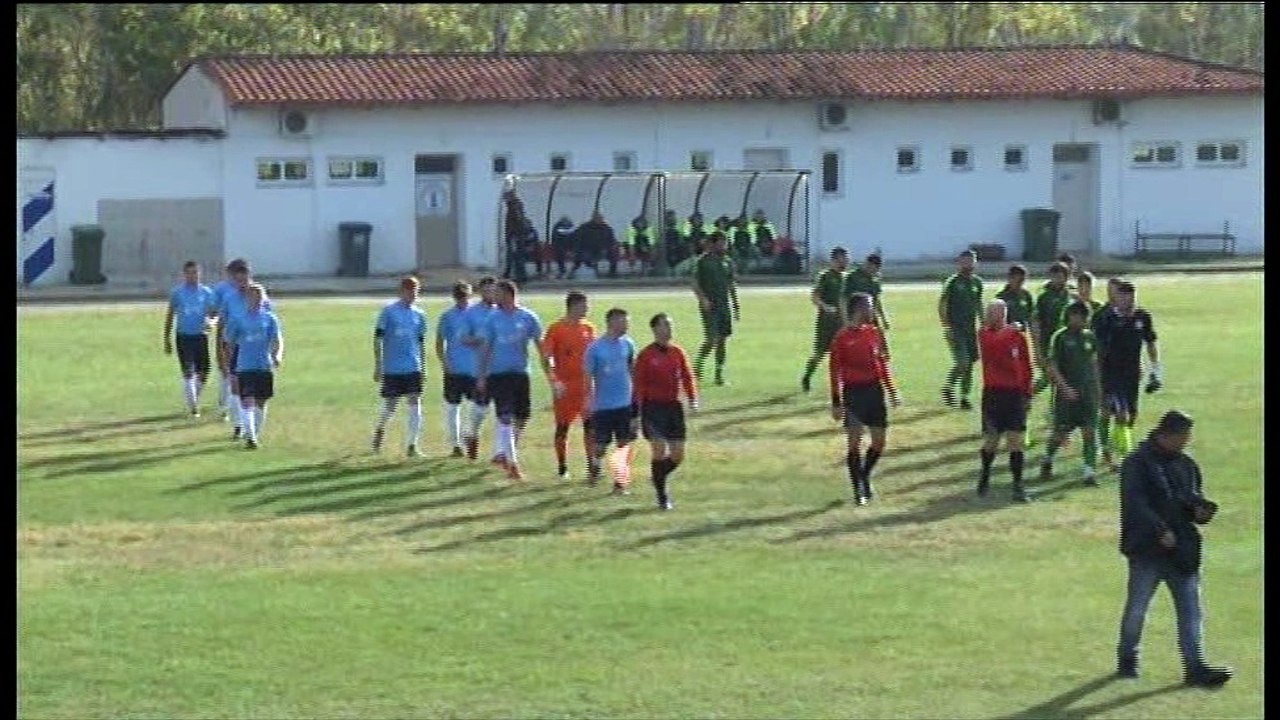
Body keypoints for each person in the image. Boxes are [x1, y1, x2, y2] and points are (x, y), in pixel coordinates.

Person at [1116, 410, 1232, 687]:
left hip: (1182, 550)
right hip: (1147, 550)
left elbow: (1190, 500)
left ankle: (1195, 666)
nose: (1186, 442)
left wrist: (1202, 511)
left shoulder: (1186, 466)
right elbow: (1136, 504)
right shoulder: (1137, 464)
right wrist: (1160, 530)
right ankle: (1127, 658)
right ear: (1166, 435)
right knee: (1137, 608)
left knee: (1191, 610)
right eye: (1183, 436)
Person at [475, 279, 554, 480]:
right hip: (499, 375)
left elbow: (540, 345)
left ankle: (503, 451)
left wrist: (550, 370)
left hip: (521, 373)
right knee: (505, 417)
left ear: (509, 295)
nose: (494, 297)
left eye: (498, 293)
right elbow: (485, 348)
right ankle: (512, 464)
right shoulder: (492, 319)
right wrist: (482, 376)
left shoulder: (528, 317)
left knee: (522, 416)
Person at [830, 292, 900, 504]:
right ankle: (859, 489)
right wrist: (836, 401)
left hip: (874, 391)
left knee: (879, 443)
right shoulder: (841, 338)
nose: (873, 311)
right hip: (854, 393)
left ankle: (864, 475)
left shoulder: (874, 332)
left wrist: (892, 391)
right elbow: (834, 371)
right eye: (869, 307)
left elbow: (881, 365)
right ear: (858, 309)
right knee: (855, 441)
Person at [1093, 279, 1161, 471]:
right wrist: (1097, 378)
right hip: (1110, 373)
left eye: (1130, 298)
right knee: (1117, 413)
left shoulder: (1142, 317)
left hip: (1132, 374)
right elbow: (1098, 350)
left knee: (1130, 415)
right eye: (1123, 298)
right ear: (1117, 298)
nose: (1127, 302)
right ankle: (1115, 454)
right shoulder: (1106, 319)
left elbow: (1150, 342)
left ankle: (1112, 445)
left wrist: (1155, 370)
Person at [633, 312, 698, 511]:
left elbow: (687, 376)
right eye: (665, 326)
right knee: (659, 448)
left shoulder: (677, 352)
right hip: (653, 408)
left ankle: (657, 476)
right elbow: (638, 385)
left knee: (677, 455)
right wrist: (636, 412)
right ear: (655, 329)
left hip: (673, 408)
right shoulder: (646, 355)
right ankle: (662, 496)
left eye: (670, 325)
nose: (669, 330)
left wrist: (693, 399)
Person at [1039, 301, 1102, 486]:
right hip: (1066, 395)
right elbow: (1052, 366)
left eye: (1082, 316)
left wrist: (1098, 389)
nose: (1078, 320)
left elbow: (1094, 364)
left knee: (1089, 431)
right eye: (1074, 316)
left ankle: (1088, 472)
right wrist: (1064, 388)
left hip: (1087, 393)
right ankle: (1048, 458)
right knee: (1061, 432)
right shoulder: (1060, 337)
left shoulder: (1090, 337)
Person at [976, 300, 1034, 502]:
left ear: (1004, 315)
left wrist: (1027, 392)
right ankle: (985, 474)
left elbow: (1026, 365)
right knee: (992, 440)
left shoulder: (1018, 337)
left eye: (996, 313)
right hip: (994, 394)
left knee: (1015, 441)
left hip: (1015, 395)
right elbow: (995, 345)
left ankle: (1018, 485)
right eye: (989, 313)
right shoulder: (984, 334)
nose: (991, 317)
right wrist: (1012, 330)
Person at [215, 259, 273, 440]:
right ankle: (239, 425)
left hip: (255, 350)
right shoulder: (229, 299)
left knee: (253, 394)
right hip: (235, 346)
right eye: (238, 280)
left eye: (244, 280)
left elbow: (269, 325)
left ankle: (250, 428)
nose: (242, 284)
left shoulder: (260, 297)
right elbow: (222, 326)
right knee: (235, 387)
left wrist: (271, 352)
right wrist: (221, 352)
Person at [542, 291, 598, 480]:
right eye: (584, 305)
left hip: (585, 387)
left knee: (590, 426)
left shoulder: (589, 328)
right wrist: (554, 381)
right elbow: (547, 357)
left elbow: (595, 356)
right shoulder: (556, 329)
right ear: (573, 306)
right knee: (563, 427)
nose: (587, 309)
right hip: (565, 388)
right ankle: (562, 466)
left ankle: (592, 466)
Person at [370, 276, 428, 457]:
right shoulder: (388, 312)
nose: (413, 295)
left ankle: (412, 445)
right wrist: (379, 364)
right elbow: (378, 338)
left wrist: (423, 367)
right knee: (391, 405)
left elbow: (420, 342)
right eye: (410, 291)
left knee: (415, 401)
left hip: (413, 365)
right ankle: (380, 428)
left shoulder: (420, 315)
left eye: (416, 291)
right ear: (402, 291)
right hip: (393, 367)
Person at [584, 307, 639, 494]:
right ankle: (596, 465)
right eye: (623, 321)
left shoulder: (628, 344)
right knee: (600, 445)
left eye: (627, 322)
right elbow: (588, 377)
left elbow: (633, 371)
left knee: (623, 444)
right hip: (603, 406)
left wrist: (636, 399)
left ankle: (619, 483)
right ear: (611, 322)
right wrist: (588, 401)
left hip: (624, 404)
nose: (626, 325)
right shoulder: (595, 348)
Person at [223, 282, 282, 450]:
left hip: (263, 365)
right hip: (244, 366)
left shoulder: (270, 319)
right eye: (252, 296)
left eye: (259, 296)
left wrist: (277, 355)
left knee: (261, 402)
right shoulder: (238, 319)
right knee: (247, 400)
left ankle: (254, 432)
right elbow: (229, 342)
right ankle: (251, 438)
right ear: (247, 299)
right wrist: (230, 362)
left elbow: (277, 340)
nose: (255, 299)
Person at [163, 260, 217, 417]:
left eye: (196, 272)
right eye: (189, 273)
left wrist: (211, 322)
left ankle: (193, 396)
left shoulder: (206, 293)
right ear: (184, 274)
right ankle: (194, 407)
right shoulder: (178, 293)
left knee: (204, 371)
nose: (193, 276)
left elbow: (214, 313)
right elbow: (170, 315)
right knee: (188, 371)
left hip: (201, 336)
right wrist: (166, 338)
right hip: (184, 337)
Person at [459, 276, 500, 460]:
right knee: (481, 409)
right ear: (480, 292)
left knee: (503, 412)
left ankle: (499, 453)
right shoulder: (471, 313)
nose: (490, 293)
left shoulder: (504, 311)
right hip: (481, 369)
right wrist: (481, 340)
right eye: (486, 290)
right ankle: (471, 435)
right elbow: (463, 338)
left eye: (493, 290)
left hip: (503, 368)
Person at [691, 231, 740, 386]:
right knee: (711, 339)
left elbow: (731, 284)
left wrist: (736, 304)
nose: (723, 245)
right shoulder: (703, 261)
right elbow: (695, 283)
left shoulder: (728, 261)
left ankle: (719, 375)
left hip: (723, 305)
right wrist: (703, 299)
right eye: (720, 242)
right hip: (709, 306)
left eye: (725, 242)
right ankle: (697, 365)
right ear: (713, 243)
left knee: (722, 339)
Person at [938, 249, 984, 410]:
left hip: (970, 329)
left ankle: (964, 397)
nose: (969, 264)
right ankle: (948, 387)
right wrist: (946, 326)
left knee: (970, 363)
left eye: (972, 261)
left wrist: (984, 324)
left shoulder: (977, 282)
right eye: (965, 261)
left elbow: (978, 304)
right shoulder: (953, 282)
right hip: (956, 328)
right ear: (959, 263)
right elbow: (942, 304)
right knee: (962, 362)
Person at [800, 247, 849, 393]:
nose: (845, 262)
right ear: (834, 260)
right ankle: (807, 376)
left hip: (843, 322)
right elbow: (815, 296)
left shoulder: (846, 278)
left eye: (846, 259)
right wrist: (825, 307)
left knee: (843, 354)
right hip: (826, 322)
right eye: (842, 259)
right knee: (820, 353)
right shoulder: (825, 276)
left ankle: (841, 384)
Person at [436, 280, 476, 457]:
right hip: (454, 368)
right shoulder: (447, 317)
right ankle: (456, 444)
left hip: (474, 368)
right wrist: (445, 363)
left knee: (476, 408)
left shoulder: (477, 315)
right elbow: (439, 342)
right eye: (460, 297)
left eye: (465, 296)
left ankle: (468, 436)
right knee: (453, 407)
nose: (463, 300)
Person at [210, 258, 248, 420]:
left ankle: (241, 406)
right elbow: (214, 313)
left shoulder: (254, 290)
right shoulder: (222, 291)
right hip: (227, 335)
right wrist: (212, 323)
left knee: (243, 373)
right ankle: (224, 405)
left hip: (247, 338)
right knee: (226, 370)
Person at [570, 212, 617, 279]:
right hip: (587, 248)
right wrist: (575, 250)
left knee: (613, 256)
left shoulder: (607, 228)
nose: (600, 220)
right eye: (598, 219)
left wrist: (608, 248)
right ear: (593, 219)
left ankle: (612, 274)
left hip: (602, 249)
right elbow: (577, 239)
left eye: (601, 219)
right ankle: (575, 273)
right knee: (585, 258)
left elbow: (611, 240)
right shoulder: (584, 227)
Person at [995, 264, 1035, 332]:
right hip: (1007, 333)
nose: (1019, 283)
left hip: (1024, 333)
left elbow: (1031, 316)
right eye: (1017, 280)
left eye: (1022, 280)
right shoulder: (1001, 297)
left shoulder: (1026, 295)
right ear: (1009, 278)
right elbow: (996, 320)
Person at [550, 216, 576, 280]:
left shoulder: (571, 227)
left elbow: (574, 237)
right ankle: (562, 271)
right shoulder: (558, 227)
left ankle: (570, 272)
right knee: (560, 257)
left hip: (569, 245)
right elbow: (556, 237)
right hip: (560, 245)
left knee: (571, 258)